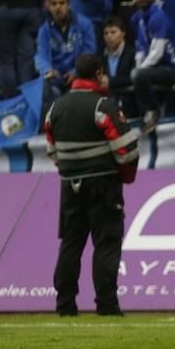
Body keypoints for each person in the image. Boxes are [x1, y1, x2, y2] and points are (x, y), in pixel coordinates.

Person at [44, 53, 139, 317]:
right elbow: (126, 150)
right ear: (98, 74)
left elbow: (52, 150)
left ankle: (65, 305)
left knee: (71, 244)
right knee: (106, 243)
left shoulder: (56, 108)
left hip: (69, 186)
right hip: (103, 185)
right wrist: (125, 176)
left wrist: (71, 170)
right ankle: (106, 305)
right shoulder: (103, 106)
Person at [129, 0, 175, 131]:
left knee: (137, 75)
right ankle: (147, 113)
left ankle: (153, 111)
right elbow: (140, 49)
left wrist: (140, 71)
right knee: (135, 76)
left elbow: (157, 52)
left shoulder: (157, 16)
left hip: (173, 68)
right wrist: (139, 67)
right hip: (156, 69)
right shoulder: (136, 18)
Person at [36, 0, 97, 101]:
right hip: (56, 78)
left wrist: (76, 71)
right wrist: (48, 70)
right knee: (45, 88)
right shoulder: (44, 30)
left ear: (69, 5)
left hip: (80, 75)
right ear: (48, 7)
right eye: (54, 4)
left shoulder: (84, 24)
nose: (58, 7)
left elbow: (90, 51)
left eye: (62, 3)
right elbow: (41, 55)